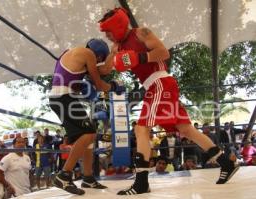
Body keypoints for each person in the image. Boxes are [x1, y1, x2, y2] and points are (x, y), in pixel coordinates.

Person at [99, 7, 239, 195]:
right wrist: (88, 64)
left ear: (116, 26)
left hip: (160, 82)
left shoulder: (141, 33)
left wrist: (139, 57)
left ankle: (141, 183)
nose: (107, 35)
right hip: (156, 86)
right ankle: (226, 163)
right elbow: (106, 69)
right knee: (186, 129)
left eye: (108, 31)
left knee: (141, 128)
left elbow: (163, 52)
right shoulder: (117, 48)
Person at [49, 38, 125, 195]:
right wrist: (114, 87)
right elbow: (99, 84)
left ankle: (88, 178)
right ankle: (64, 176)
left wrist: (113, 53)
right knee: (89, 133)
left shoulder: (77, 53)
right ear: (98, 55)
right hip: (63, 97)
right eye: (100, 59)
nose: (98, 62)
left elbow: (103, 70)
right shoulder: (88, 53)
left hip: (63, 97)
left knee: (89, 137)